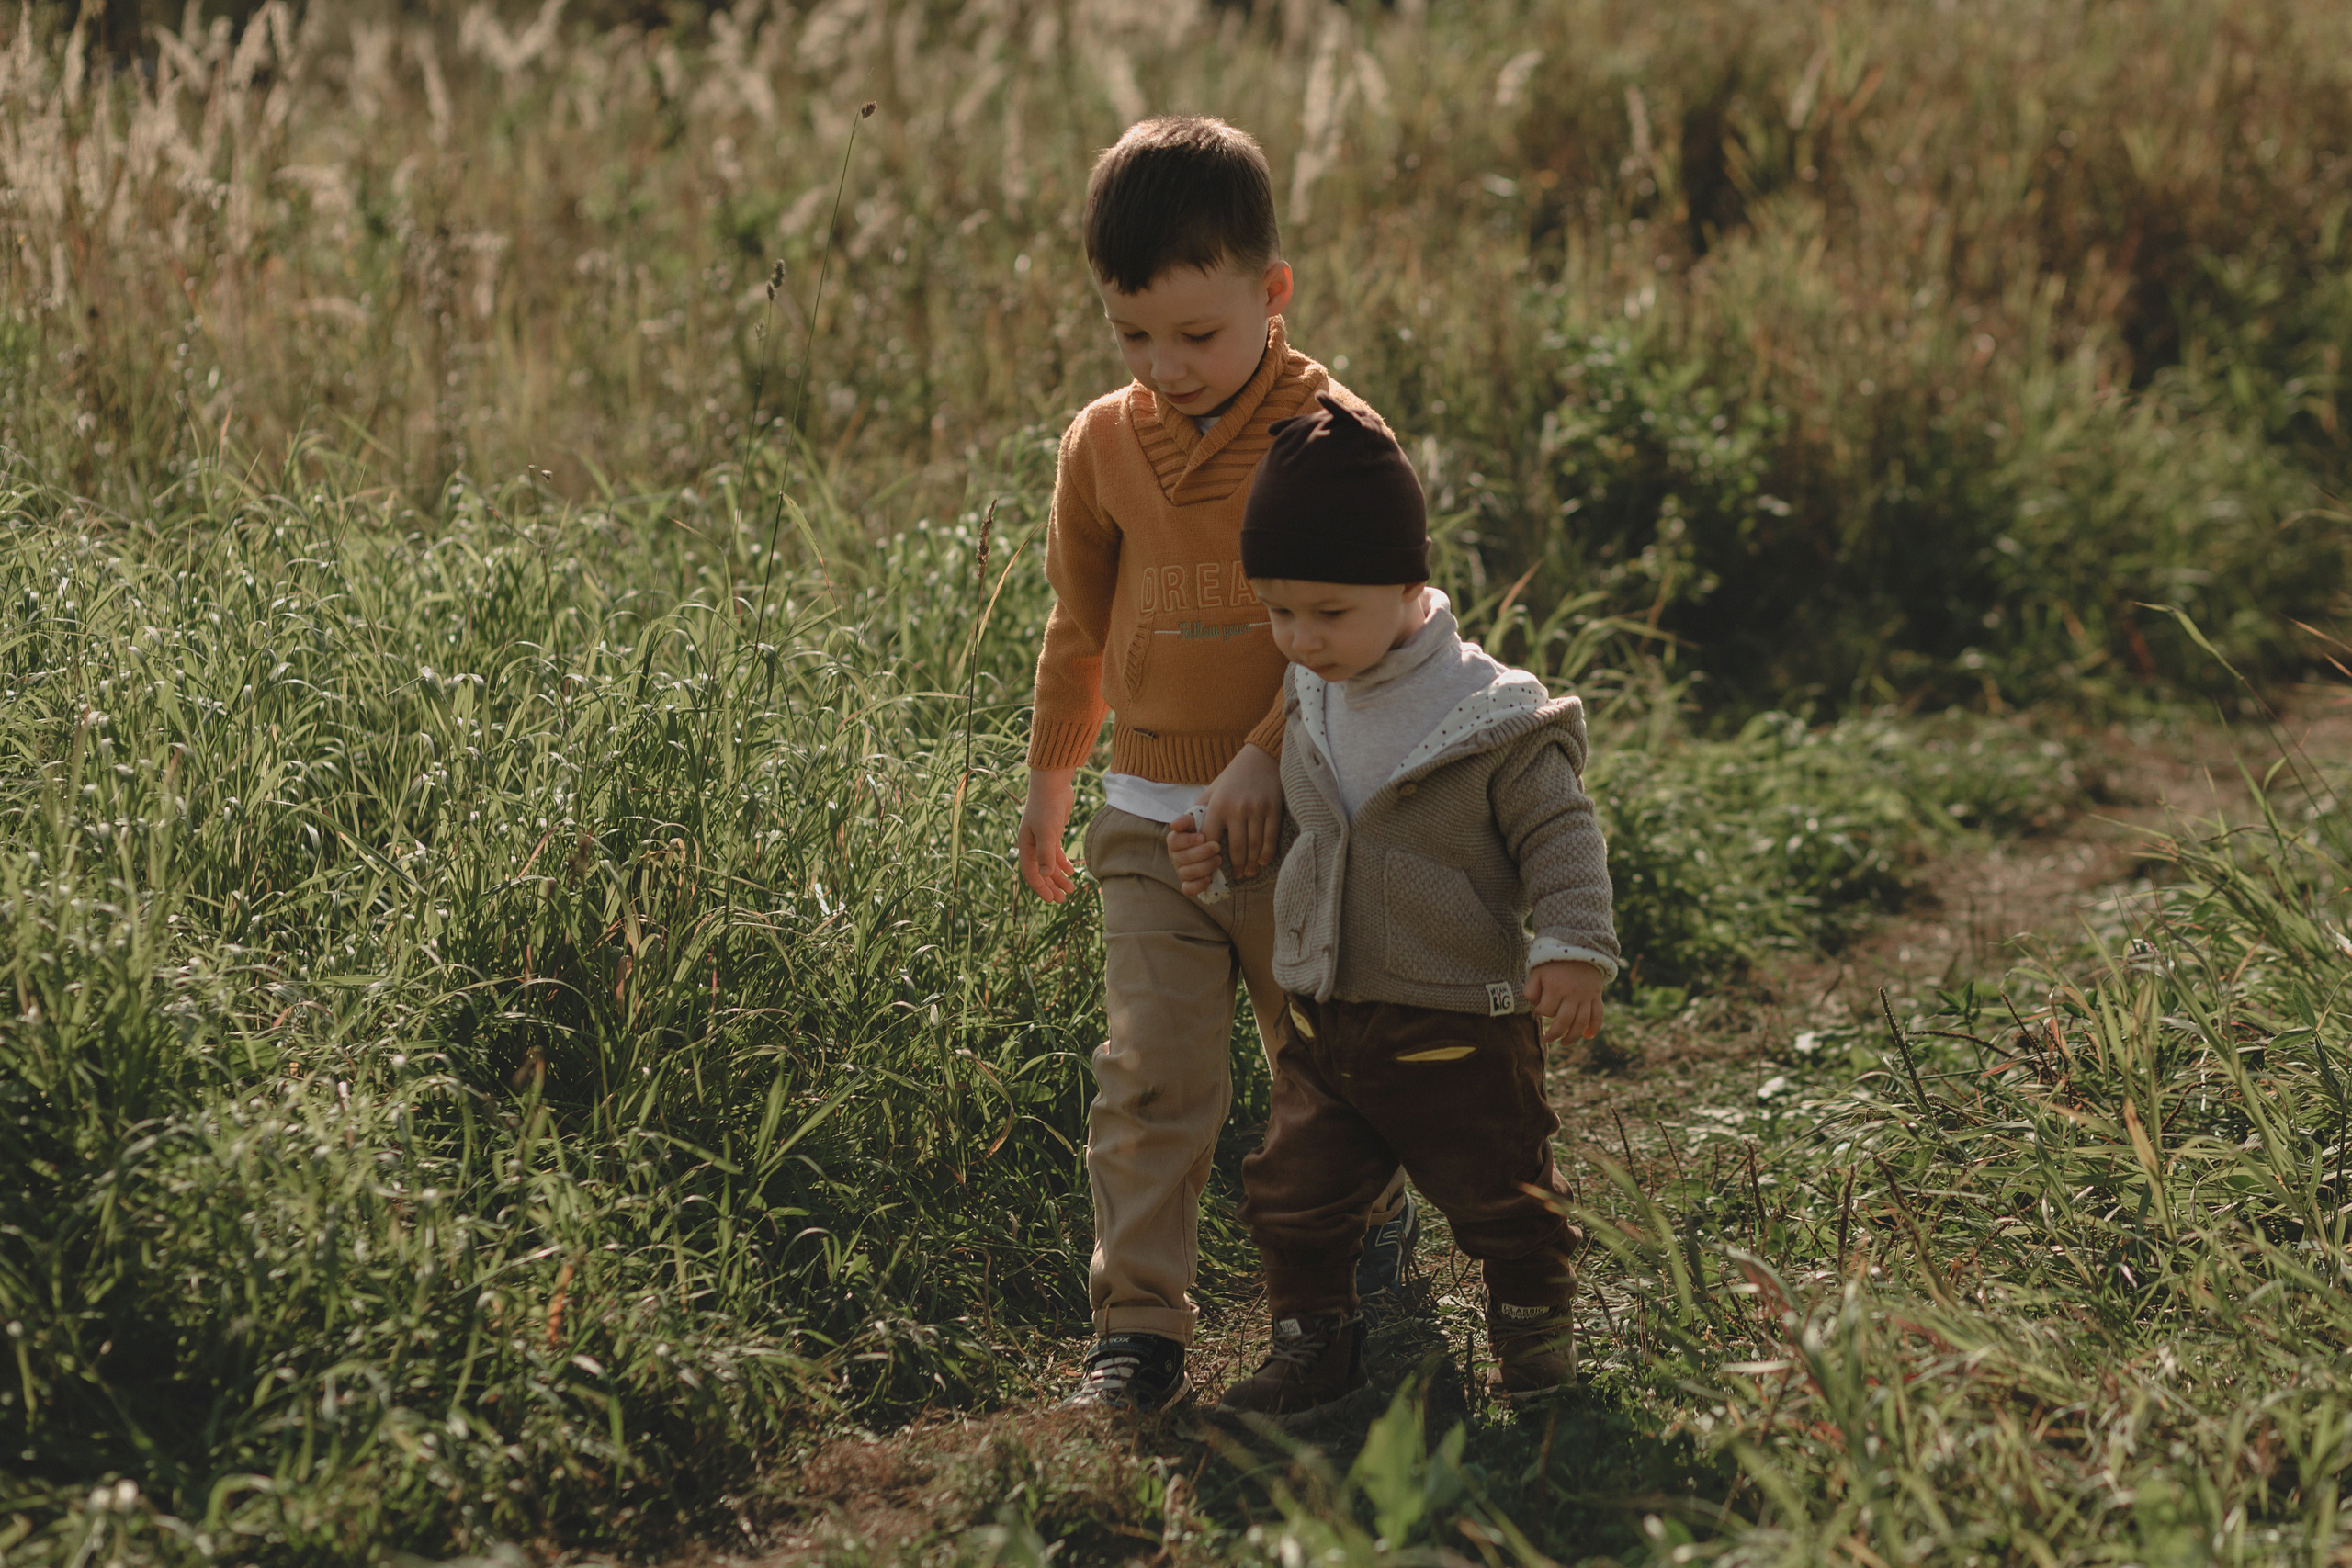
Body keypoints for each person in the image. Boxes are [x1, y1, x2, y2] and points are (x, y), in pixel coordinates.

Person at [1014, 116, 1416, 1414]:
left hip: (1304, 819)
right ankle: (1138, 1334)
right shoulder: (1102, 445)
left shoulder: (1335, 441)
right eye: (1134, 334)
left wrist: (1263, 757)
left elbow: (1372, 634)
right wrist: (1052, 781)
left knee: (1322, 1069)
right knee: (1150, 1074)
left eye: (1198, 333)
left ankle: (1347, 1281)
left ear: (1273, 291)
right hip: (1144, 822)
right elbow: (1080, 626)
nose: (1165, 365)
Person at [1166, 396, 1620, 1420]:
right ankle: (1312, 1349)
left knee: (1505, 1201)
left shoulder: (1488, 714)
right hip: (1330, 1020)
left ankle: (1537, 1352)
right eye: (1280, 612)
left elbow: (1560, 835)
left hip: (1458, 1024)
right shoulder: (1312, 695)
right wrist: (1221, 846)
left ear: (1411, 587)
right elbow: (1312, 833)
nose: (1303, 638)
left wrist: (1575, 945)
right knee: (1293, 1198)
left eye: (1329, 613)